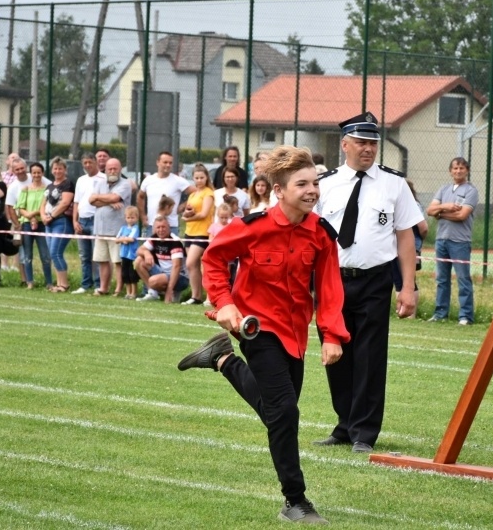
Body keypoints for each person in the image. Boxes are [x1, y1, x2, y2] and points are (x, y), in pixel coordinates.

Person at [177, 145, 349, 524]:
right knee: (285, 411)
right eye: (302, 184)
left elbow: (330, 288)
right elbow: (213, 258)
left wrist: (332, 334)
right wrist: (225, 303)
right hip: (256, 328)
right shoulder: (253, 227)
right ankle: (295, 500)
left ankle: (221, 359)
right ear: (279, 190)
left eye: (314, 183)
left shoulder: (321, 234)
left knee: (277, 412)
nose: (312, 190)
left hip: (295, 334)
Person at [315, 111, 422, 453]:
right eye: (361, 142)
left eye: (373, 143)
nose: (368, 149)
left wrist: (408, 287)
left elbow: (405, 237)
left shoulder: (394, 184)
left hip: (375, 279)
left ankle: (364, 432)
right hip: (332, 280)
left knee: (370, 357)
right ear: (344, 144)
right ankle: (344, 425)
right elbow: (310, 235)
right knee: (335, 353)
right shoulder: (324, 184)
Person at [426, 157, 479, 325]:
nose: (458, 171)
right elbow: (430, 210)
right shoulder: (443, 189)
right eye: (455, 168)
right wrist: (445, 207)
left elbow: (462, 215)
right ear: (450, 171)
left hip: (460, 241)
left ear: (467, 170)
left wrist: (440, 214)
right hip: (441, 240)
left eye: (462, 168)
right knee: (442, 279)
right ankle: (440, 313)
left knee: (463, 279)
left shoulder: (471, 191)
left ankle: (466, 316)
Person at [89, 157, 131, 296]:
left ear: (120, 169)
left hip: (117, 231)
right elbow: (91, 200)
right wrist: (109, 201)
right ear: (105, 170)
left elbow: (114, 198)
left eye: (115, 168)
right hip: (100, 229)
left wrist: (100, 197)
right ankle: (103, 288)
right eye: (110, 169)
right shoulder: (100, 183)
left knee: (117, 261)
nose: (112, 171)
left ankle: (118, 289)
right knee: (102, 260)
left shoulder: (125, 184)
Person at [391, 180, 427, 319]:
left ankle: (409, 313)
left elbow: (423, 227)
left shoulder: (412, 204)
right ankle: (403, 311)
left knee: (406, 279)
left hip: (407, 247)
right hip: (396, 246)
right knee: (398, 279)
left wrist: (417, 243)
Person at [137, 151, 195, 237]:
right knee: (150, 246)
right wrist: (143, 216)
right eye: (165, 162)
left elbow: (196, 193)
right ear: (158, 162)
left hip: (171, 226)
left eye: (170, 163)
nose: (168, 165)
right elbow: (140, 197)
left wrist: (183, 205)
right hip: (152, 225)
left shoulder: (178, 181)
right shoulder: (148, 180)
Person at [134, 214, 189, 303]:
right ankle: (152, 293)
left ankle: (173, 291)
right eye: (158, 227)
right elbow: (139, 250)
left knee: (153, 281)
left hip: (180, 277)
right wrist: (146, 253)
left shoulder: (174, 241)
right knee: (138, 261)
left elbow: (177, 266)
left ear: (169, 226)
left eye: (163, 227)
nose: (161, 230)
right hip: (162, 272)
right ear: (155, 228)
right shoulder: (155, 238)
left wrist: (169, 290)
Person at [181, 163, 215, 305]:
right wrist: (187, 213)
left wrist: (188, 218)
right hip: (190, 231)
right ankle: (196, 296)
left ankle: (207, 295)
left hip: (202, 232)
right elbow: (188, 211)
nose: (199, 180)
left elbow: (204, 214)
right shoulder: (193, 194)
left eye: (202, 177)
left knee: (190, 262)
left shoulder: (208, 193)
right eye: (196, 178)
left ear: (206, 178)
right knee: (192, 265)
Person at [15, 162, 53, 289]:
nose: (36, 175)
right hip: (27, 225)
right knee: (27, 255)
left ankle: (49, 282)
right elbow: (20, 208)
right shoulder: (25, 189)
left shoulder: (47, 190)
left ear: (42, 173)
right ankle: (29, 281)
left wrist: (36, 214)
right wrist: (30, 217)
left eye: (39, 172)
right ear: (31, 174)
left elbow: (46, 206)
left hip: (42, 224)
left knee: (45, 255)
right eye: (34, 173)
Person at [72, 152, 106, 294]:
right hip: (82, 220)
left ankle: (99, 284)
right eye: (85, 163)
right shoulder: (81, 180)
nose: (87, 165)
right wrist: (75, 221)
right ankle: (86, 284)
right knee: (84, 256)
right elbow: (76, 202)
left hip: (96, 220)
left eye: (89, 162)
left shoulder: (104, 178)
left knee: (96, 255)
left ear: (95, 162)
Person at [41, 157, 75, 293]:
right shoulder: (49, 186)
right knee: (52, 253)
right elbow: (43, 203)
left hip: (61, 222)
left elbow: (65, 203)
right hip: (48, 223)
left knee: (56, 252)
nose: (57, 171)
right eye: (55, 168)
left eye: (60, 168)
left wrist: (52, 216)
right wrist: (43, 216)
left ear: (65, 170)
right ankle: (59, 283)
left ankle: (64, 284)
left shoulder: (68, 184)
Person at [116, 206, 140, 300]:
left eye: (132, 217)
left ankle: (134, 293)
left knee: (132, 274)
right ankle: (128, 292)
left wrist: (124, 239)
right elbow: (117, 239)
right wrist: (123, 239)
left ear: (137, 218)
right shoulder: (123, 228)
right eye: (128, 217)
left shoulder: (136, 228)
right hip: (124, 254)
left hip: (132, 255)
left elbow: (131, 238)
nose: (130, 220)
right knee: (125, 274)